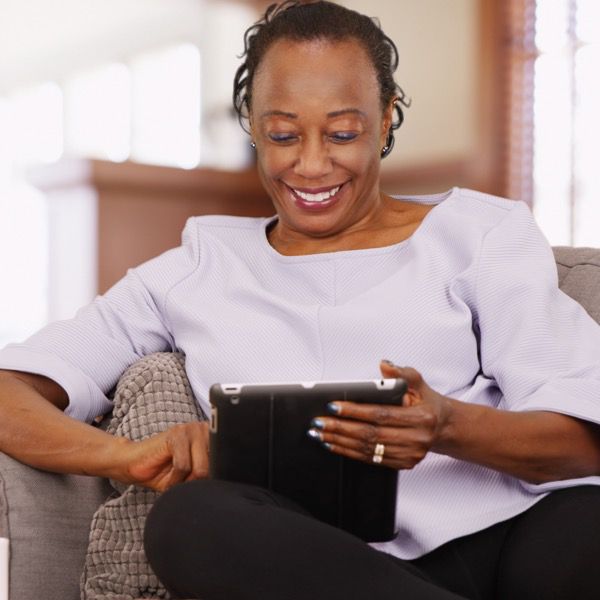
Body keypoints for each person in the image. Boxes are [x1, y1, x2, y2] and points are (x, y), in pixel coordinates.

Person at [1, 1, 600, 598]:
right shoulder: (194, 268)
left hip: (502, 543)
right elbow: (10, 391)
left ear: (387, 119)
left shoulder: (481, 235)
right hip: (315, 566)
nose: (312, 165)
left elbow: (581, 441)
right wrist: (124, 457)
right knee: (189, 520)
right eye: (283, 135)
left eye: (343, 133)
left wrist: (447, 426)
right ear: (252, 124)